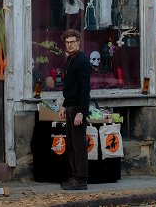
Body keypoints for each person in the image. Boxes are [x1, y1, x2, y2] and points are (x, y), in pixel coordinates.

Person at [57, 29, 91, 191]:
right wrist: (64, 104)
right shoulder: (70, 59)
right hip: (70, 106)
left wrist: (81, 112)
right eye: (67, 42)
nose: (69, 45)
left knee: (78, 145)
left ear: (78, 42)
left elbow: (85, 89)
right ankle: (75, 176)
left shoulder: (82, 61)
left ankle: (81, 179)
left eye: (72, 42)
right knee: (70, 144)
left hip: (78, 108)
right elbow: (70, 86)